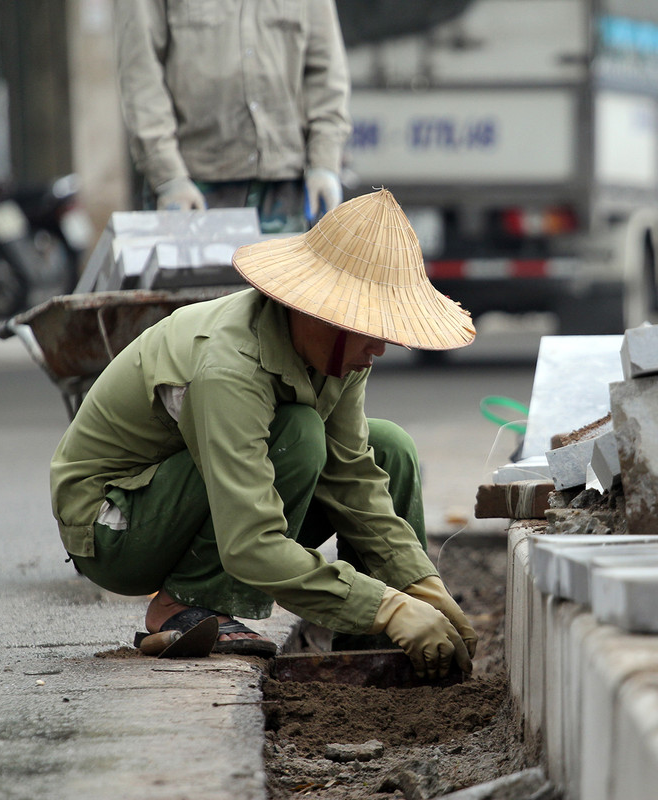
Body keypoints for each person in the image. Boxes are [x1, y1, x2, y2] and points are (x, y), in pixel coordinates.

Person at [49, 189, 478, 678]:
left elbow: (355, 481)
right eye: (372, 328)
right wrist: (387, 605)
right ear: (327, 313)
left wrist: (421, 587)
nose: (380, 347)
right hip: (114, 526)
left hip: (201, 502)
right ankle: (185, 602)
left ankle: (370, 650)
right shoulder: (229, 364)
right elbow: (249, 543)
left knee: (389, 448)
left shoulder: (340, 356)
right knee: (298, 432)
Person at [113, 0, 351, 232]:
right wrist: (168, 178)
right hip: (194, 191)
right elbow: (141, 74)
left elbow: (327, 72)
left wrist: (324, 163)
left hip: (287, 191)